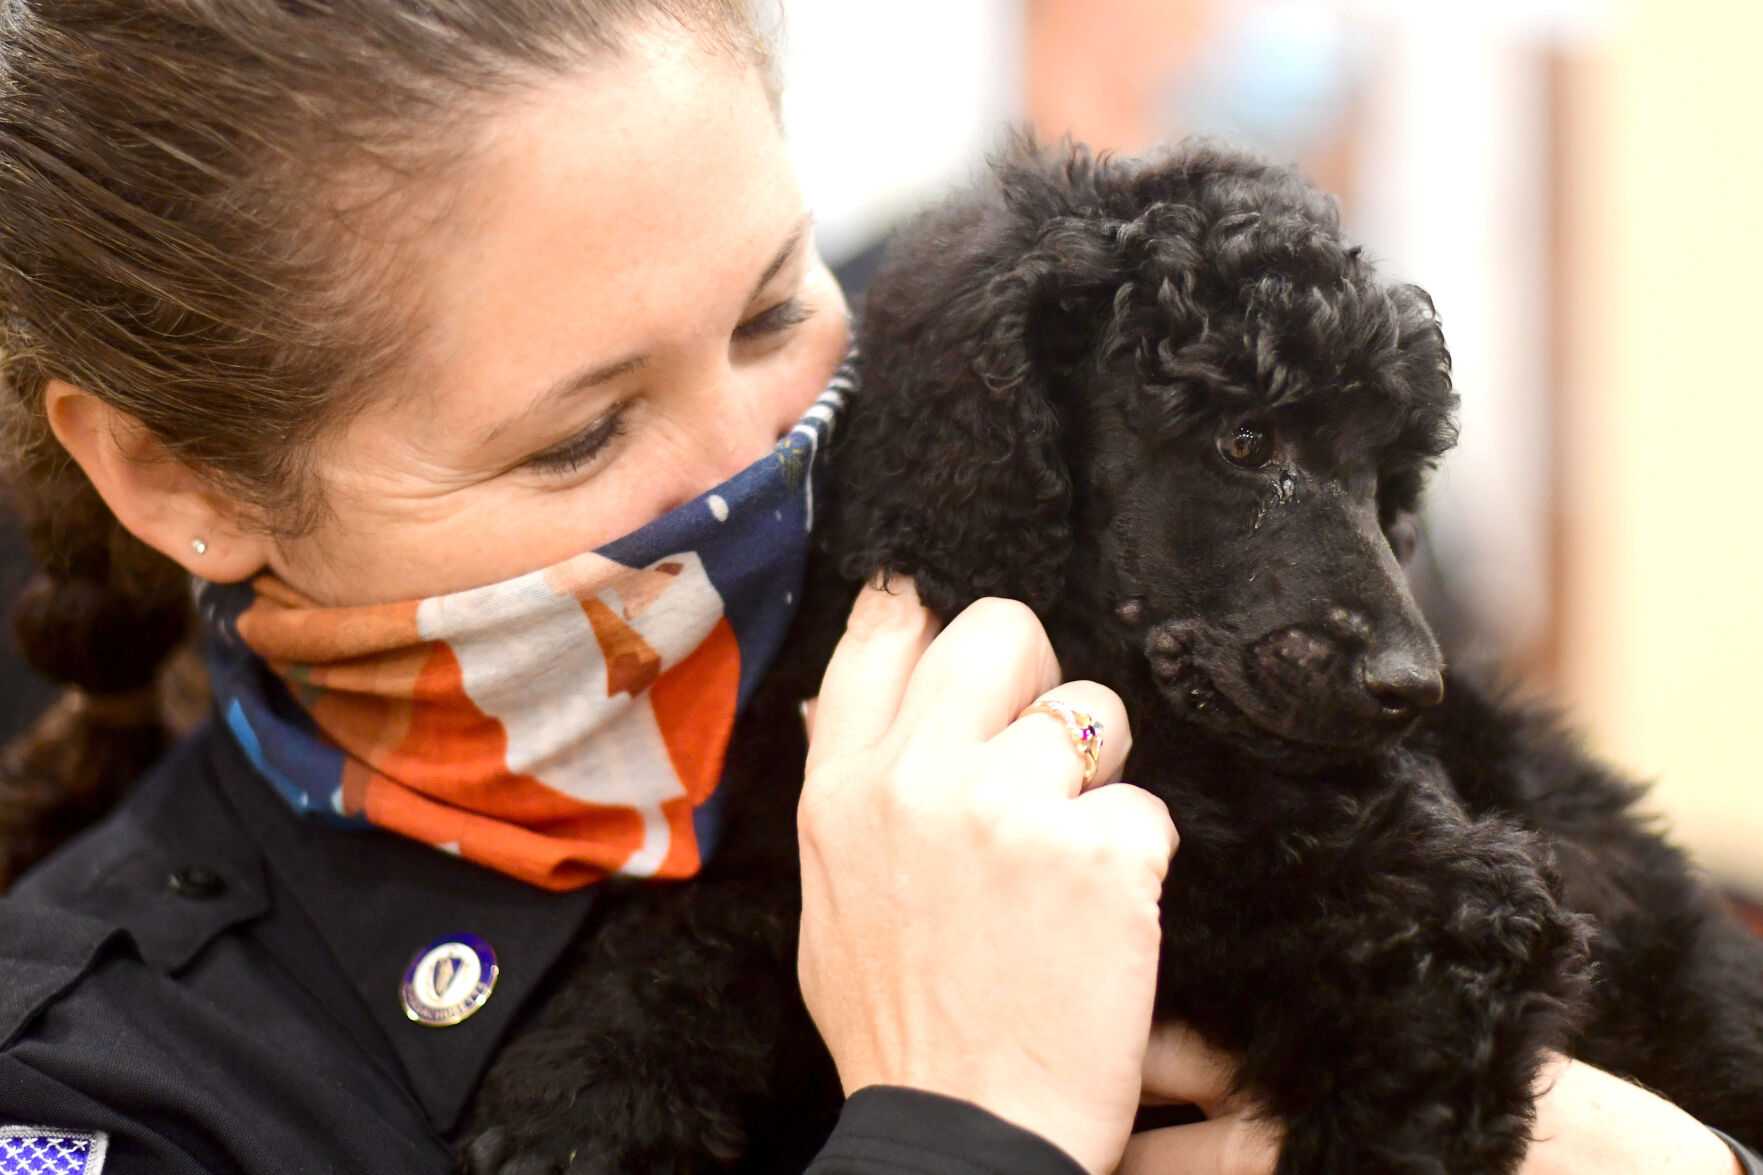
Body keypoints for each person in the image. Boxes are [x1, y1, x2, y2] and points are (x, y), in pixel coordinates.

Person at [0, 3, 1751, 1173]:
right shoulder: (102, 1089)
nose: (762, 460)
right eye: (579, 437)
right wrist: (963, 1116)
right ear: (175, 479)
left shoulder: (1075, 570)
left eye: (773, 310)